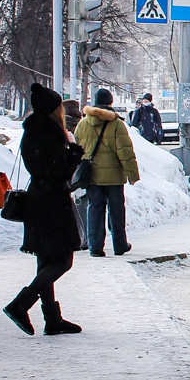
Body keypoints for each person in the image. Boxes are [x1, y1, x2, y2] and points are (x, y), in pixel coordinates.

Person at [3, 84, 84, 336]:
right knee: (62, 261)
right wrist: (74, 155)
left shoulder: (32, 131)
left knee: (46, 260)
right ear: (53, 109)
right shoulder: (50, 133)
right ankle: (21, 304)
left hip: (37, 200)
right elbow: (59, 172)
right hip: (53, 203)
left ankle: (52, 319)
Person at [75, 88, 140, 257]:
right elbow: (125, 151)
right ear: (110, 103)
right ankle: (120, 245)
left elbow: (76, 148)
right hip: (114, 178)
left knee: (94, 209)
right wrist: (132, 175)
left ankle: (95, 247)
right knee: (116, 210)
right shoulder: (116, 124)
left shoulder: (83, 124)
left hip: (92, 176)